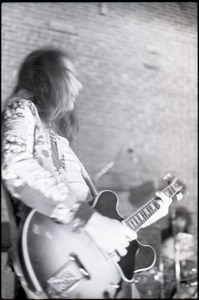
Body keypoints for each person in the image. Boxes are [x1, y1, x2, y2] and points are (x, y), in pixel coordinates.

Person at [2, 47, 173, 299]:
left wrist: (146, 213)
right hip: (56, 262)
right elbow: (15, 165)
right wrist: (92, 220)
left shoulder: (60, 142)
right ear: (48, 77)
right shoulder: (22, 108)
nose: (79, 85)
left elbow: (97, 215)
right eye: (71, 75)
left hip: (93, 267)